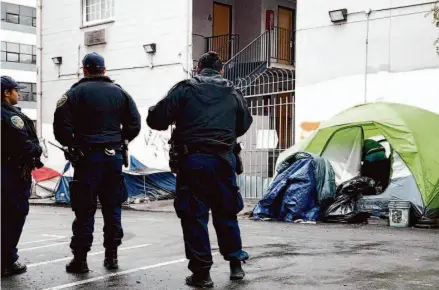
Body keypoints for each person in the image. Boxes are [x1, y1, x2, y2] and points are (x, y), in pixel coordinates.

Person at [147, 51, 253, 288]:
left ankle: (202, 273)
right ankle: (235, 265)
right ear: (221, 70)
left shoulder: (185, 88)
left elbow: (156, 120)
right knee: (226, 212)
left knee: (195, 216)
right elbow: (244, 123)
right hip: (224, 161)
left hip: (193, 161)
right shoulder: (233, 91)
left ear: (198, 68)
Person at [53, 52, 141, 273]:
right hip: (114, 157)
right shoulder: (120, 93)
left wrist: (74, 143)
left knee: (84, 210)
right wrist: (121, 139)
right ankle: (112, 257)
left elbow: (61, 128)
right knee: (113, 208)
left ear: (84, 70)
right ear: (104, 69)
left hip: (87, 158)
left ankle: (80, 260)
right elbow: (134, 123)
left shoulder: (73, 94)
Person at [1, 76, 43, 277]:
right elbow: (24, 145)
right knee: (13, 215)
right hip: (11, 172)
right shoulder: (10, 116)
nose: (19, 93)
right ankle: (7, 261)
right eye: (16, 90)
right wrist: (37, 149)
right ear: (6, 93)